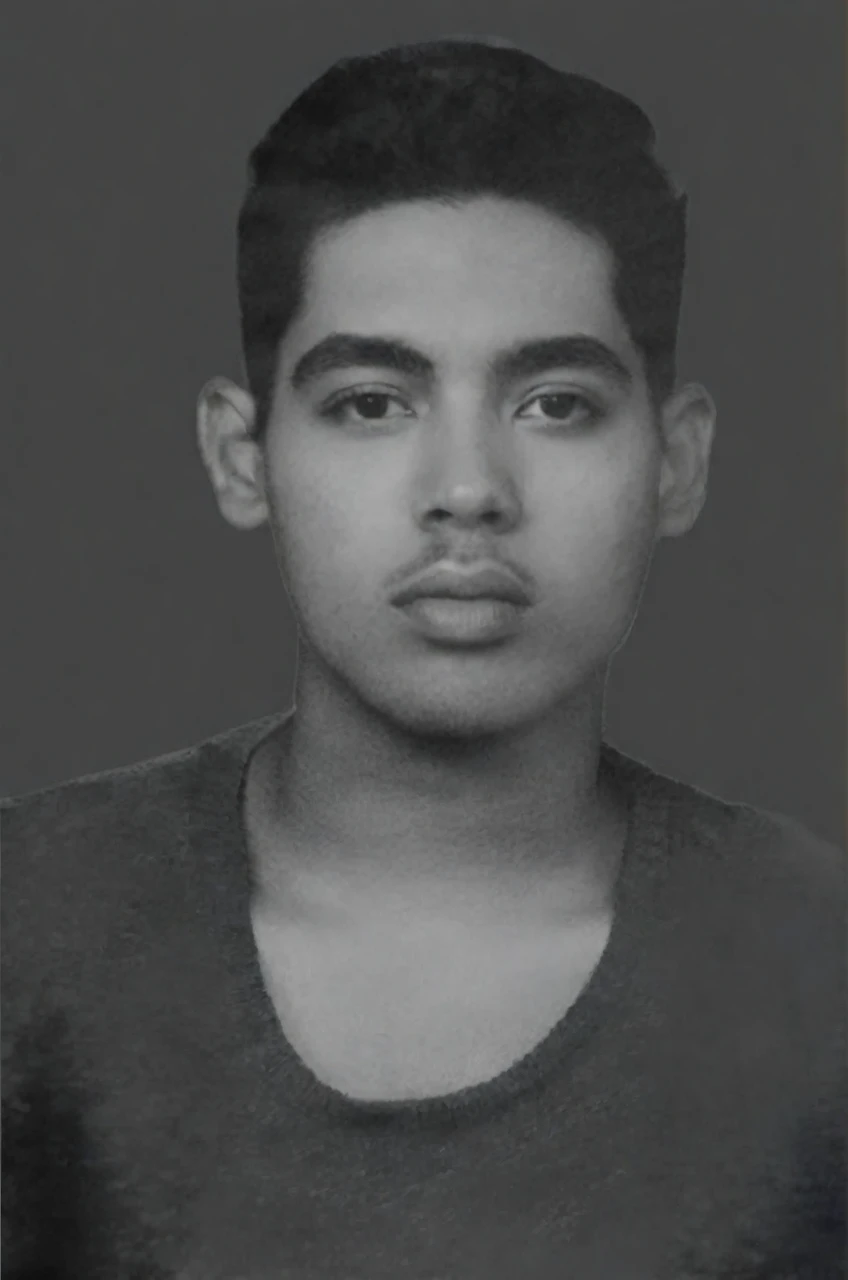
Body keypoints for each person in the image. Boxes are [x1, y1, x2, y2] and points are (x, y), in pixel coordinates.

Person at [2, 37, 844, 1280]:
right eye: (370, 400)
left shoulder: (816, 967)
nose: (465, 490)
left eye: (554, 400)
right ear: (242, 455)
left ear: (675, 461)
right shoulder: (30, 926)